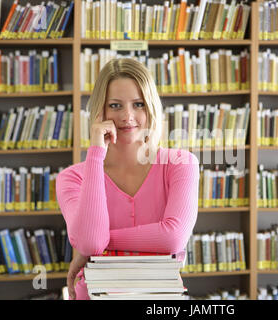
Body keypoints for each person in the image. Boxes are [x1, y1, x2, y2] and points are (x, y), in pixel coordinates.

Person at [56, 58, 199, 300]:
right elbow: (91, 242)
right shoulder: (72, 178)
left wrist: (96, 245)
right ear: (100, 110)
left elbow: (173, 238)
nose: (127, 116)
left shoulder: (181, 164)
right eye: (115, 105)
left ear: (151, 107)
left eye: (138, 104)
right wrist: (95, 155)